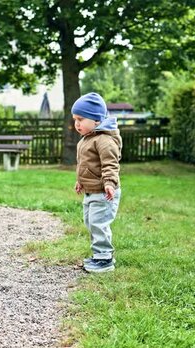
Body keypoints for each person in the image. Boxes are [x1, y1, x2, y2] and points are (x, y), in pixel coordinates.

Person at [72, 93, 122, 273]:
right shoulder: (88, 138)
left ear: (96, 120)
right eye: (75, 119)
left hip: (104, 192)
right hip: (91, 191)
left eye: (80, 119)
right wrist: (80, 181)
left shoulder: (105, 140)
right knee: (90, 222)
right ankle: (99, 255)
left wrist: (109, 183)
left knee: (98, 224)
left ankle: (104, 260)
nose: (76, 123)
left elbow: (110, 164)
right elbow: (87, 165)